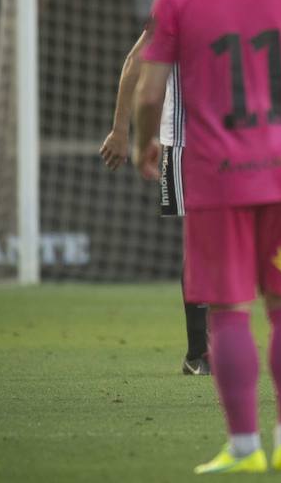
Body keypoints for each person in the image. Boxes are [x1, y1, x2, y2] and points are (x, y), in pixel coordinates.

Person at [132, 0, 281, 474]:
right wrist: (279, 128)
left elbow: (148, 92)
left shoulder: (176, 3)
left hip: (218, 181)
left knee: (229, 313)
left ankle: (244, 448)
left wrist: (145, 143)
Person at [100, 33, 211, 377]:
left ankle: (209, 349)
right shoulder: (178, 2)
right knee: (205, 244)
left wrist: (128, 135)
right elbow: (137, 63)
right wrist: (122, 130)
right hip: (192, 143)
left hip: (215, 143)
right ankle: (200, 350)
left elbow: (137, 64)